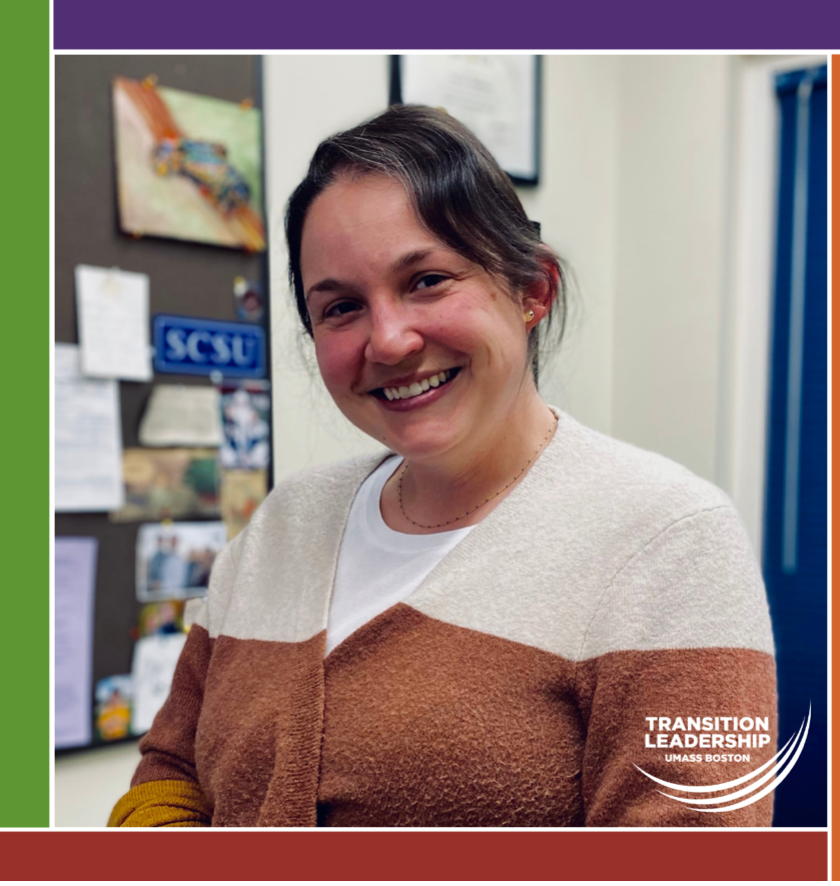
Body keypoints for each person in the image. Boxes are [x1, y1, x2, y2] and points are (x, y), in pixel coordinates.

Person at [109, 105, 777, 828]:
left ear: (533, 291)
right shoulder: (285, 525)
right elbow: (171, 769)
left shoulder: (667, 538)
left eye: (426, 280)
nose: (389, 339)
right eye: (340, 308)